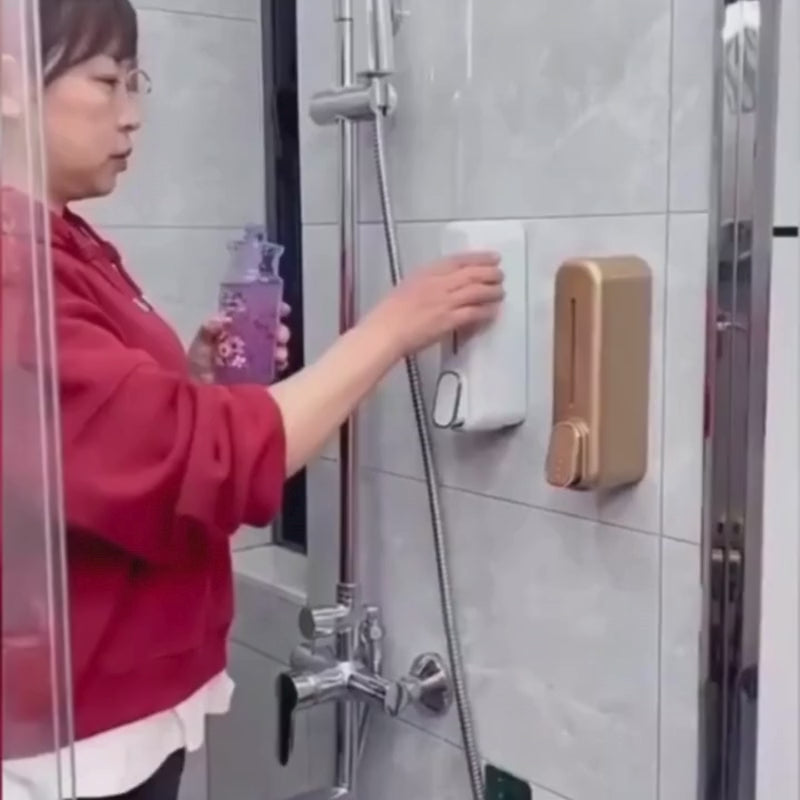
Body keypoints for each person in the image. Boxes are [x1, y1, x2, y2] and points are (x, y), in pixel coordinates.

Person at [0, 1, 504, 798]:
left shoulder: (65, 243)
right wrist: (392, 329)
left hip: (112, 705)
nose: (132, 116)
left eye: (136, 82)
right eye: (105, 82)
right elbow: (207, 457)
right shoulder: (15, 272)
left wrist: (192, 384)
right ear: (9, 86)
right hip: (69, 738)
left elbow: (80, 448)